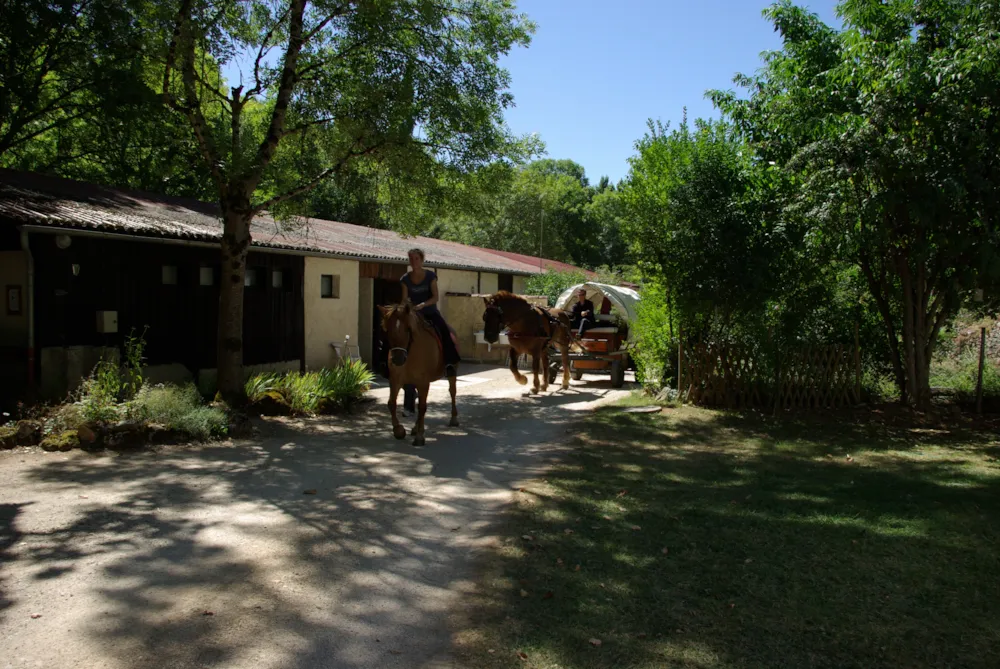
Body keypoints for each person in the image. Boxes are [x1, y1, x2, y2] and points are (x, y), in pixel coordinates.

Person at [399, 248, 461, 414]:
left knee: (444, 331)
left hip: (430, 312)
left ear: (422, 259)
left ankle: (449, 363)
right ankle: (392, 363)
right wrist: (409, 307)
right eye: (411, 258)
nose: (414, 261)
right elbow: (404, 299)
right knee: (399, 333)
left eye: (417, 258)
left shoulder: (430, 276)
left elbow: (435, 297)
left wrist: (423, 305)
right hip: (413, 314)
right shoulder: (405, 279)